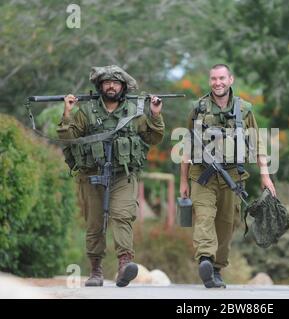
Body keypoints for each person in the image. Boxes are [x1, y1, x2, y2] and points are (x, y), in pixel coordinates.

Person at [57, 65, 165, 287]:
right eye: (107, 82)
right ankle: (95, 270)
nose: (111, 86)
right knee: (95, 223)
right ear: (100, 86)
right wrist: (67, 113)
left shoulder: (134, 112)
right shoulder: (86, 112)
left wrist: (155, 115)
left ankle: (125, 264)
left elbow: (153, 138)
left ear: (123, 87)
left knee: (122, 215)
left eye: (115, 83)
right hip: (91, 175)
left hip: (122, 175)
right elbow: (68, 138)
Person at [179, 64, 276, 288]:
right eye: (213, 78)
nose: (217, 83)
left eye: (222, 78)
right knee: (204, 216)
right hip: (202, 174)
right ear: (209, 81)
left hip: (233, 176)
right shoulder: (198, 108)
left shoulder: (244, 109)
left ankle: (216, 268)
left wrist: (265, 175)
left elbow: (257, 142)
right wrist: (183, 181)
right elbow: (186, 145)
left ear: (230, 79)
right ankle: (205, 258)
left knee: (227, 223)